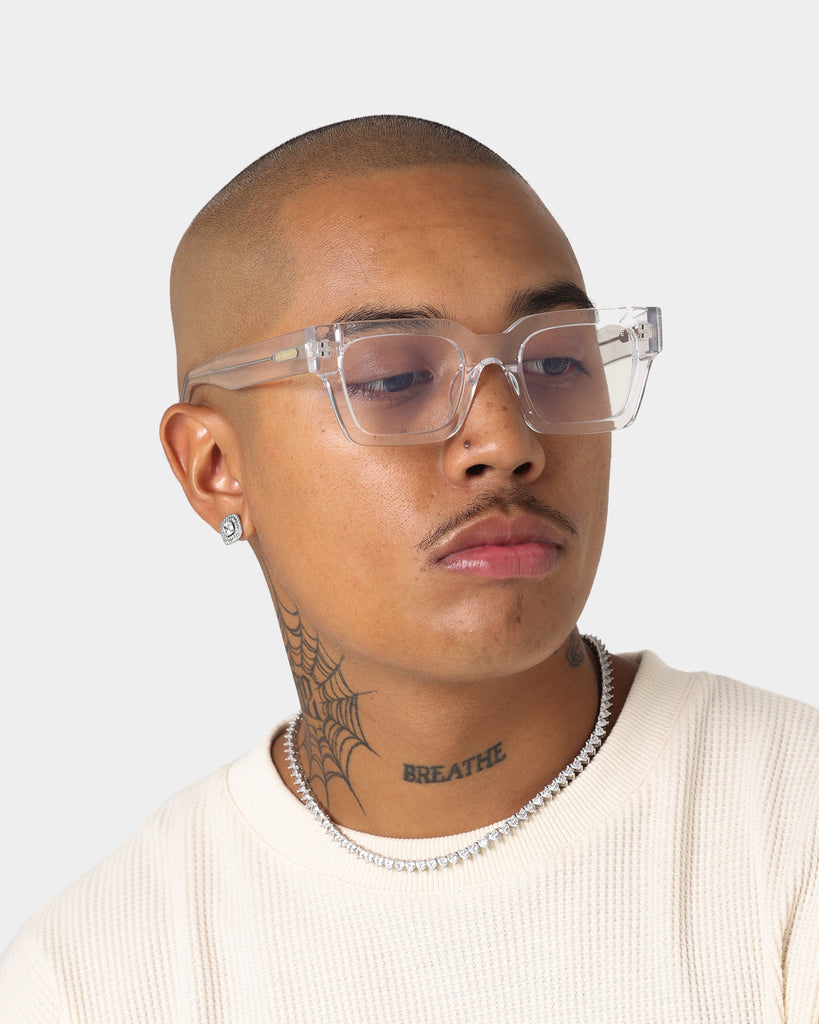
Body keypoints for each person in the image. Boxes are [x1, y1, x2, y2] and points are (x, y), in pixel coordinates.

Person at [1, 115, 816, 1023]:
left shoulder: (792, 828)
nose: (505, 440)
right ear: (215, 467)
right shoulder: (91, 976)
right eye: (392, 378)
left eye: (556, 362)